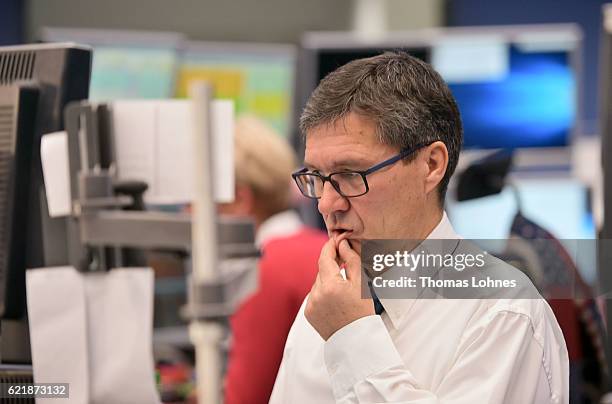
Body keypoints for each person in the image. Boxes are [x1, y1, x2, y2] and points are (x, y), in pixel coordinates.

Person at [269, 52, 569, 403]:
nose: (326, 203)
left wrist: (352, 337)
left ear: (431, 165)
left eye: (350, 175)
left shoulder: (504, 315)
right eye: (317, 178)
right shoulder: (323, 308)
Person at [221, 116, 327, 404]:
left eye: (196, 201)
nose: (187, 213)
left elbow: (246, 398)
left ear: (240, 200)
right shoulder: (323, 246)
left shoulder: (264, 270)